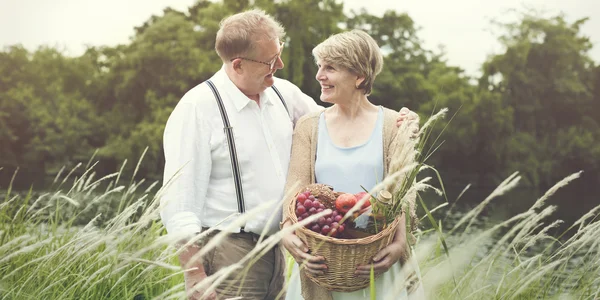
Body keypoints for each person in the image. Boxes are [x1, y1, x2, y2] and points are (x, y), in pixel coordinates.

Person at [160, 9, 419, 300]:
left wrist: (399, 123)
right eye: (271, 60)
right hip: (229, 253)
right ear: (238, 64)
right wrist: (194, 275)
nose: (280, 64)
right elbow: (178, 204)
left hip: (282, 252)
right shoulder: (198, 107)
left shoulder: (283, 94)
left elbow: (343, 120)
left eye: (279, 53)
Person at [280, 29, 422, 300]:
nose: (319, 75)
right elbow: (294, 191)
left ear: (360, 76)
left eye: (330, 68)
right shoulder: (309, 126)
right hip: (323, 268)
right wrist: (287, 231)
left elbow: (402, 193)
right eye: (319, 67)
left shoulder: (394, 125)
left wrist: (400, 242)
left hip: (378, 267)